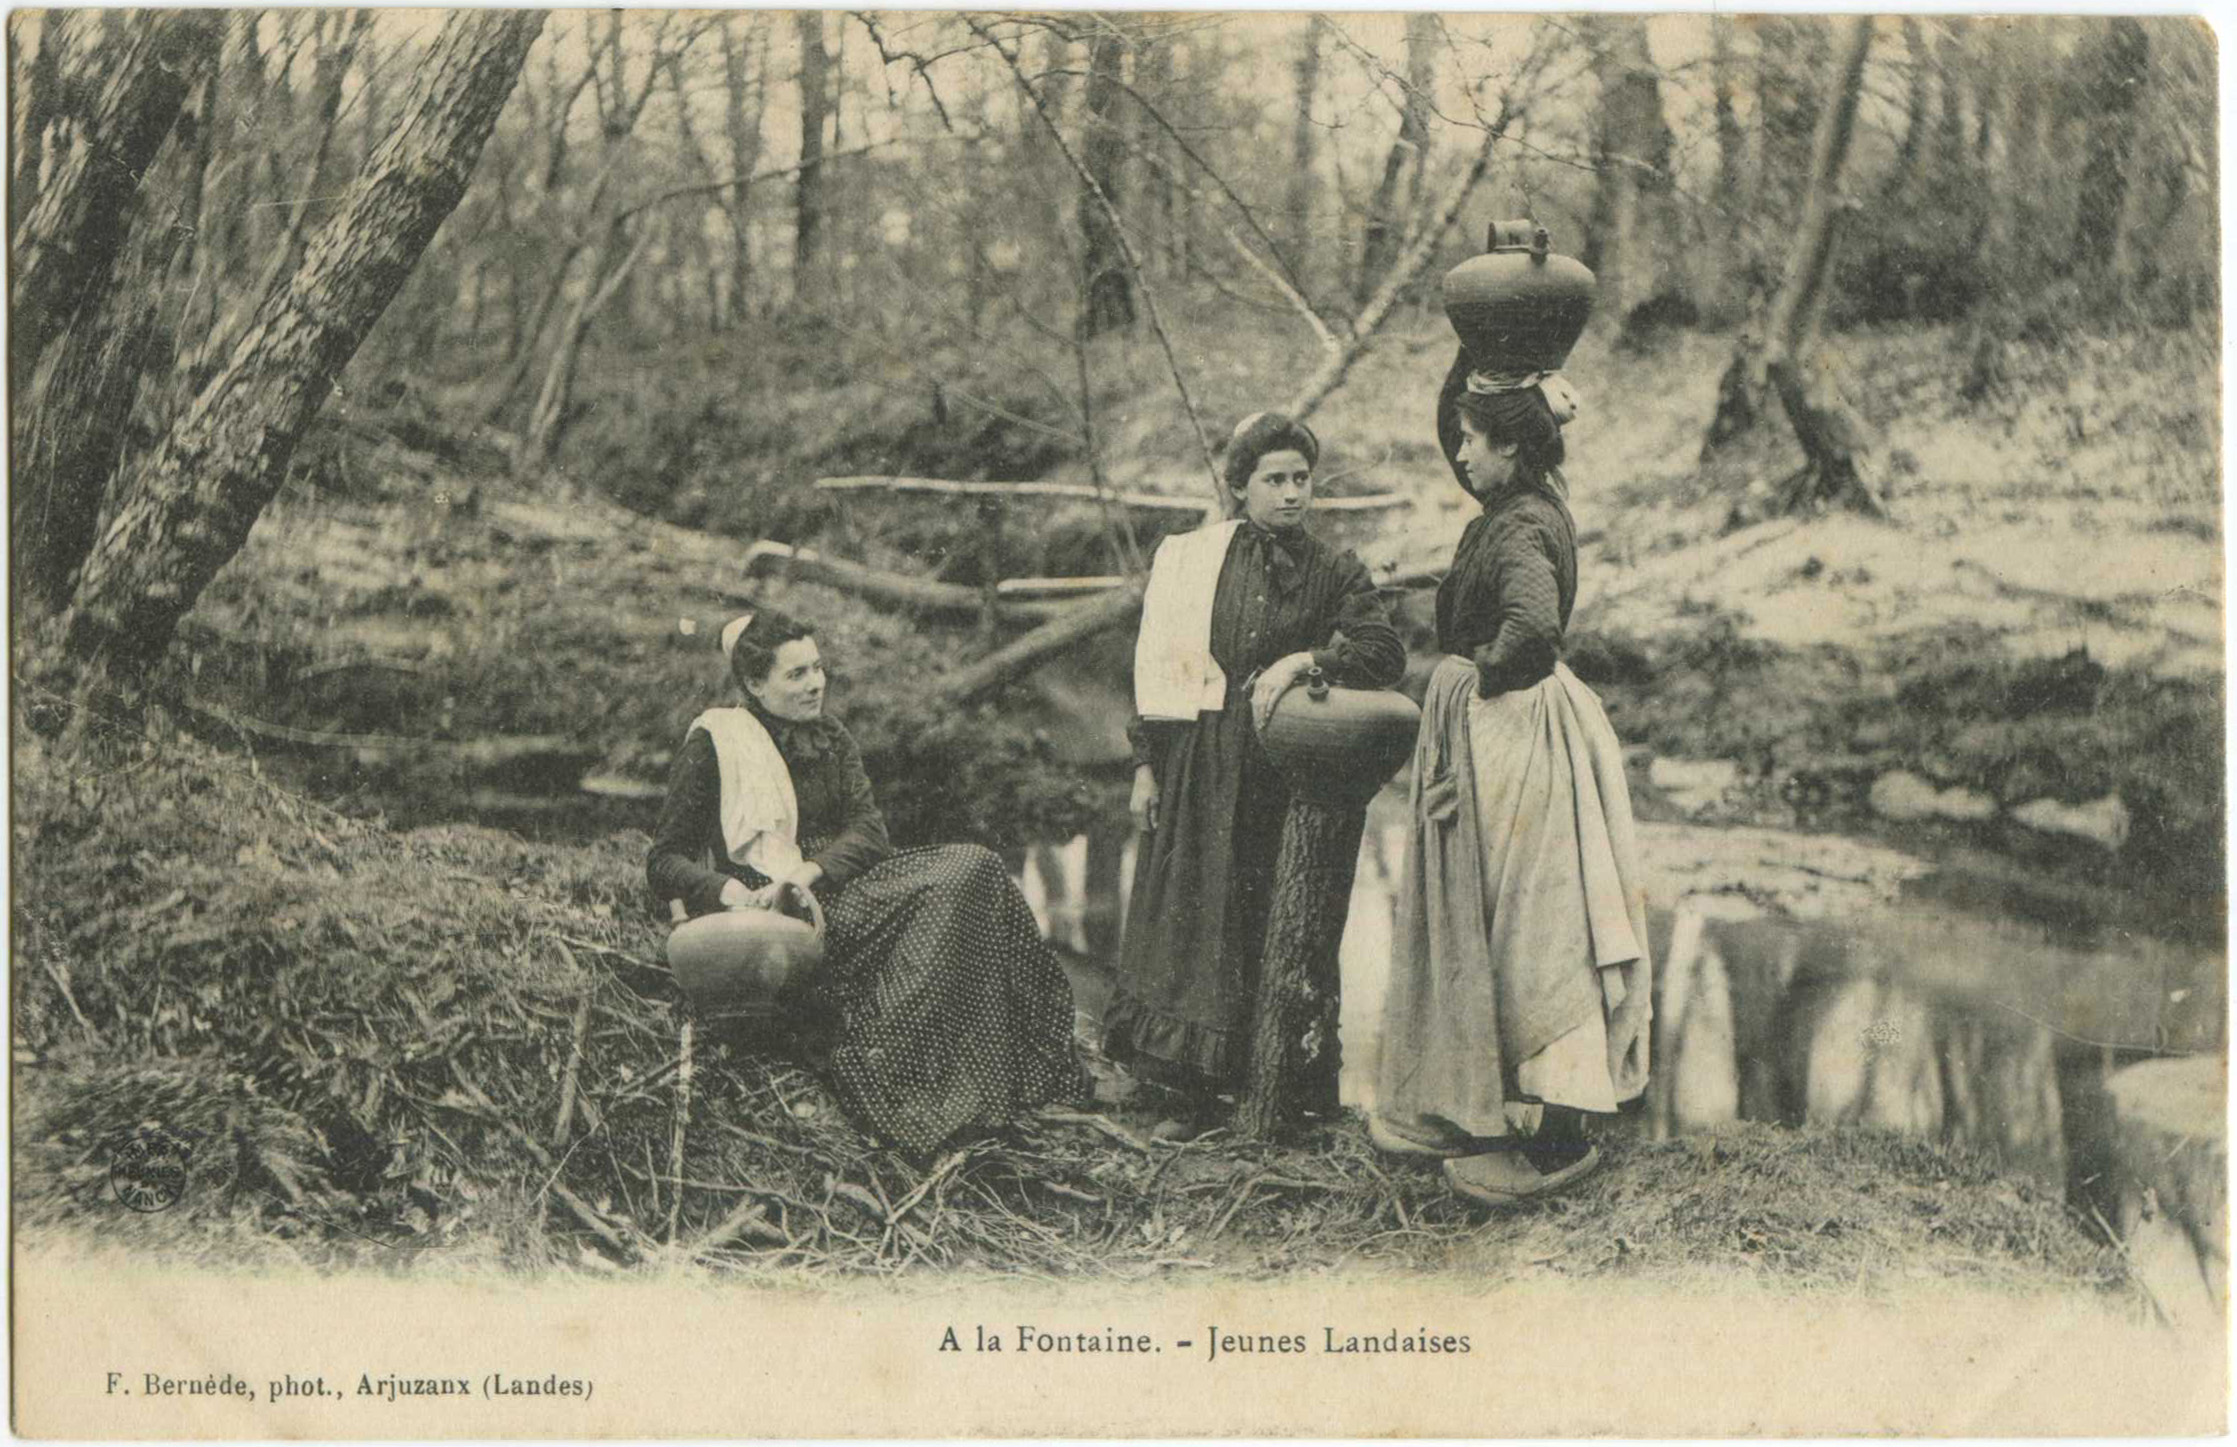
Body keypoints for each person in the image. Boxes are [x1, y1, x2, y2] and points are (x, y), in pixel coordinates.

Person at [1371, 351, 1653, 1207]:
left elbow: (1532, 626)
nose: (1458, 455)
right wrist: (1473, 351)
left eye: (1470, 441)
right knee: (1505, 915)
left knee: (1540, 925)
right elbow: (1461, 431)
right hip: (1510, 727)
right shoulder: (1519, 501)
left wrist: (1475, 677)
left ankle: (1561, 1136)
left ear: (1509, 449)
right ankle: (1487, 1102)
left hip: (1519, 732)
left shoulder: (1523, 525)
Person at [647, 609, 1080, 1156]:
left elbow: (869, 830)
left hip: (841, 886)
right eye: (797, 675)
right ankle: (889, 1074)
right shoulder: (716, 743)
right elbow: (664, 862)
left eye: (818, 669)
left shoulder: (829, 737)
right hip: (776, 914)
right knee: (959, 877)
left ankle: (980, 1080)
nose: (816, 684)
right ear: (755, 684)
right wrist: (727, 892)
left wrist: (811, 869)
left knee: (978, 867)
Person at [1106, 411, 1405, 1134]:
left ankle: (1264, 1087)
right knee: (1189, 915)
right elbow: (1157, 664)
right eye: (1274, 480)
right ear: (1240, 488)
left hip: (1274, 765)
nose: (1291, 493)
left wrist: (1305, 660)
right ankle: (1181, 1089)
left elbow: (1381, 650)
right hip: (1197, 759)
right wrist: (1146, 765)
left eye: (1300, 478)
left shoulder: (1333, 569)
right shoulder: (1194, 560)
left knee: (1260, 918)